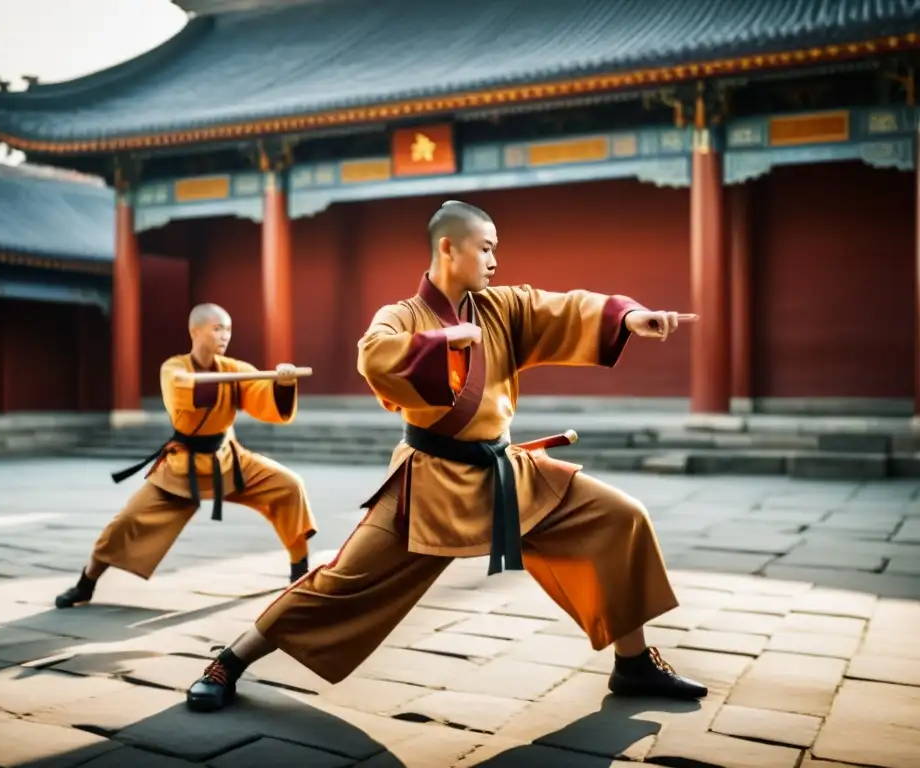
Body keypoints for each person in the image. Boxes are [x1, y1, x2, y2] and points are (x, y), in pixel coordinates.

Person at [184, 201, 707, 711]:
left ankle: (633, 662)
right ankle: (228, 662)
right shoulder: (402, 315)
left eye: (496, 250)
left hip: (507, 476)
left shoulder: (503, 307)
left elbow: (566, 306)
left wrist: (631, 316)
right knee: (342, 581)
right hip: (429, 485)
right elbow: (374, 355)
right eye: (486, 248)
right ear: (448, 248)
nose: (495, 260)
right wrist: (441, 342)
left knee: (620, 519)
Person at [55, 303, 318, 609]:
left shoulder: (233, 369)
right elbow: (179, 392)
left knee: (288, 486)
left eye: (228, 329)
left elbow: (261, 394)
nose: (225, 336)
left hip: (227, 458)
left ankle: (300, 570)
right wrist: (193, 382)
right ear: (195, 331)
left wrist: (283, 384)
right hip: (182, 465)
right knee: (127, 521)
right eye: (217, 328)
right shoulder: (174, 368)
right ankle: (86, 583)